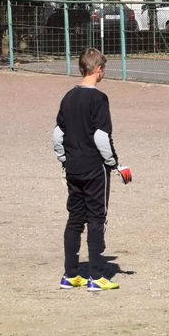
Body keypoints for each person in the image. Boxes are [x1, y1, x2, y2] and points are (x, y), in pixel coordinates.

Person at [52, 47, 127, 291]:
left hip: (73, 167)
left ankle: (70, 275)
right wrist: (114, 164)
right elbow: (101, 137)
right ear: (98, 69)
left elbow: (58, 134)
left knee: (75, 218)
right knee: (96, 218)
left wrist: (64, 159)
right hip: (95, 168)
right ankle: (96, 276)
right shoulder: (99, 99)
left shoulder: (68, 97)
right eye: (103, 69)